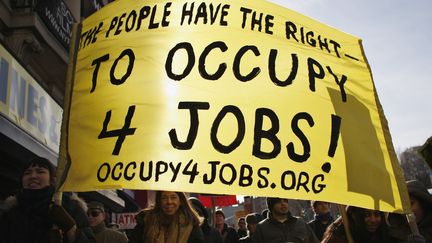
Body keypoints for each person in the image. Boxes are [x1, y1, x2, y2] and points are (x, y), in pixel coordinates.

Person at [0, 156, 96, 243]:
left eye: (40, 171)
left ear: (52, 180)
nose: (33, 176)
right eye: (27, 173)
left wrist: (70, 228)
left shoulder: (70, 207)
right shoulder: (11, 211)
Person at [129, 191, 204, 243]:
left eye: (173, 197)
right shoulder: (146, 220)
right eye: (164, 198)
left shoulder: (190, 223)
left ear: (180, 201)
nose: (169, 202)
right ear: (159, 201)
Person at [252, 197, 319, 243]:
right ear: (271, 206)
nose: (283, 204)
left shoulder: (300, 223)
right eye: (278, 202)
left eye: (285, 201)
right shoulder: (261, 228)